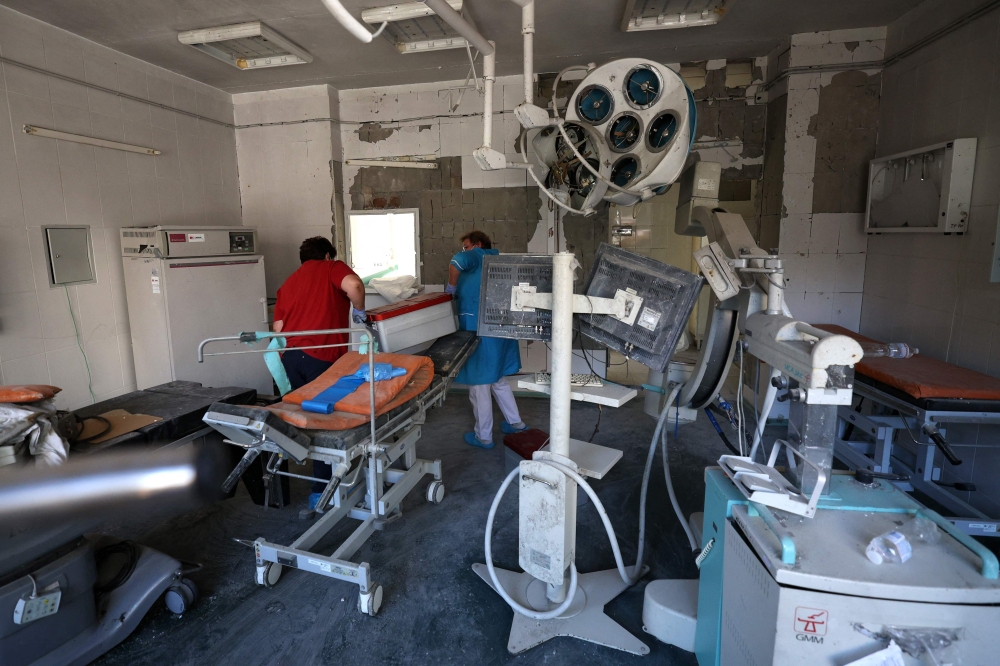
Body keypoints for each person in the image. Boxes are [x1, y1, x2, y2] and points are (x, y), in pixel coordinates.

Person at [274, 236, 366, 510]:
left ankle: (319, 481)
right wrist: (359, 311)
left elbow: (278, 329)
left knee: (306, 418)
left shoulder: (289, 282)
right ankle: (323, 490)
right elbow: (355, 285)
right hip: (321, 357)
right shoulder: (331, 267)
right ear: (327, 255)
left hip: (291, 359)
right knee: (325, 423)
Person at [447, 230, 528, 449]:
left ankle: (484, 436)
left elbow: (458, 260)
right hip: (497, 331)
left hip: (480, 332)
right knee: (498, 380)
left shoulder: (478, 255)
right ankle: (516, 423)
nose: (465, 250)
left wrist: (451, 288)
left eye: (467, 245)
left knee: (479, 385)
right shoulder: (495, 261)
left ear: (477, 244)